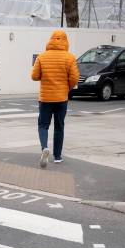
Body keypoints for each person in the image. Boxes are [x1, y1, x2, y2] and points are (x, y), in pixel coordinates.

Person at [31, 30, 79, 168]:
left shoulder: (42, 57)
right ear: (65, 41)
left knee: (43, 125)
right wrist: (67, 88)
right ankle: (57, 157)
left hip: (45, 98)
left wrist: (44, 77)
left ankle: (44, 148)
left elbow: (34, 76)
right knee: (59, 127)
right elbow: (75, 78)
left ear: (50, 40)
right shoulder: (70, 57)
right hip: (61, 98)